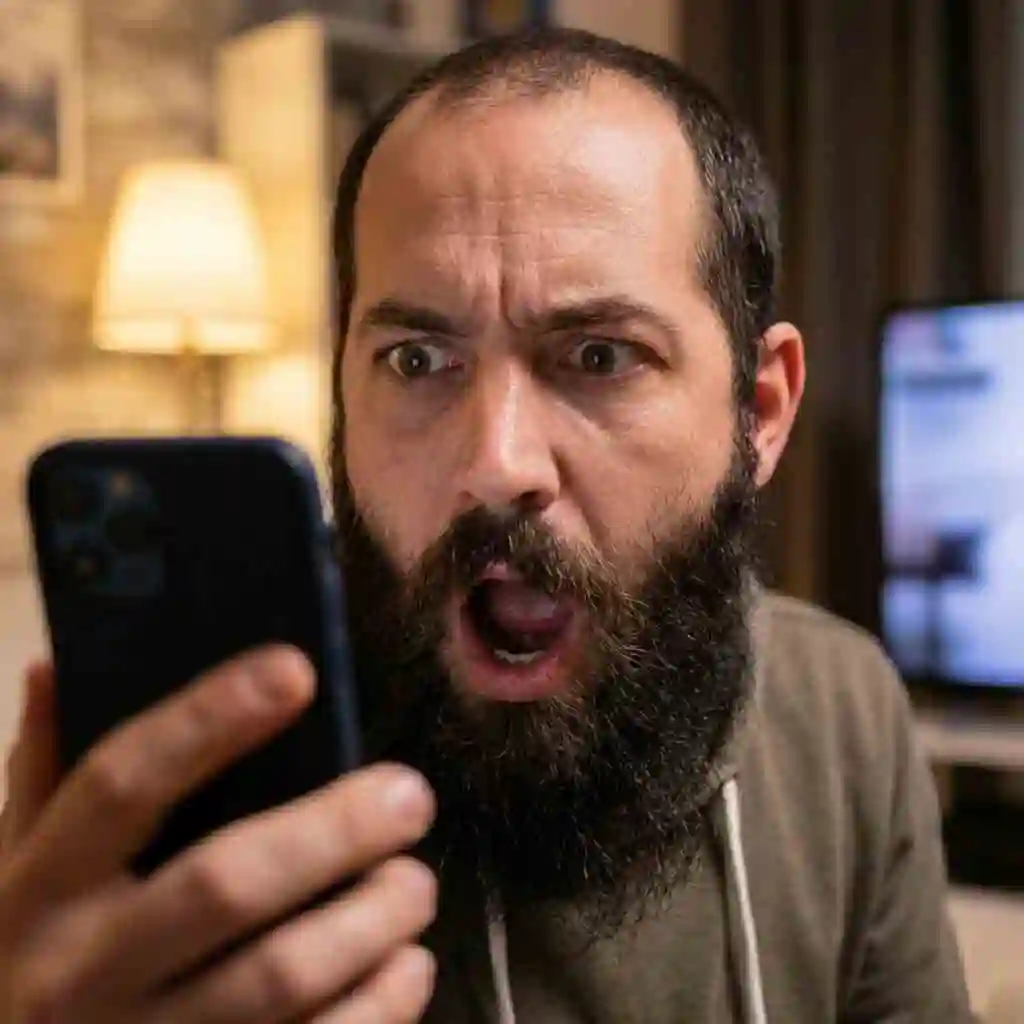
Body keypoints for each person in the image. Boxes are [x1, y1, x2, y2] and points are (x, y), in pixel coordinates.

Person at [0, 27, 972, 1024]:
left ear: (759, 411)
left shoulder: (843, 710)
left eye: (599, 356)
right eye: (417, 361)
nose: (496, 463)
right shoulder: (203, 782)